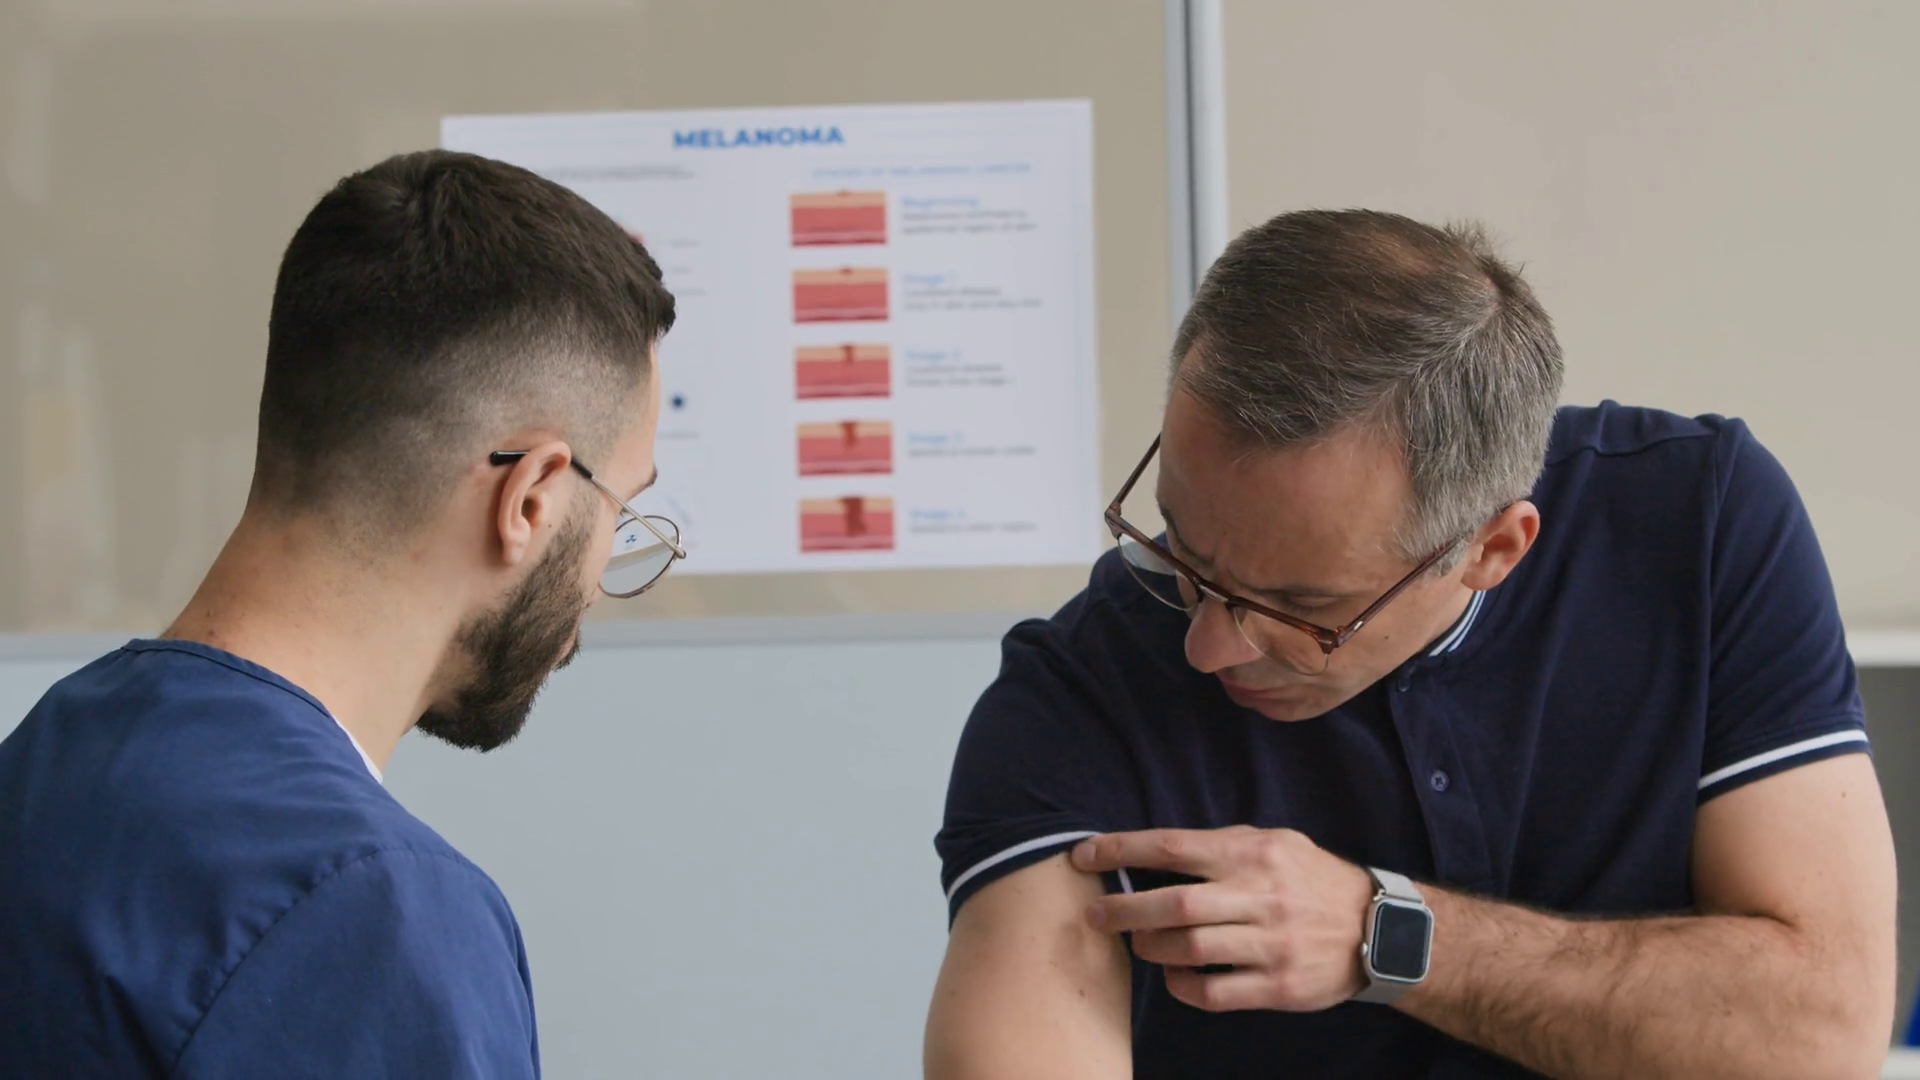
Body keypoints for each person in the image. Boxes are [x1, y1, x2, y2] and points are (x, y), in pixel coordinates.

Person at [925, 210, 1896, 1079]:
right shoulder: (1075, 695)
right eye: (1182, 545)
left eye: (1301, 607)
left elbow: (1821, 1035)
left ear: (1492, 549)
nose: (1209, 646)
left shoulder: (1700, 524)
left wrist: (1383, 934)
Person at [0, 150, 683, 1076]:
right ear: (529, 498)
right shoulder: (370, 913)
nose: (603, 575)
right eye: (623, 510)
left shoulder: (48, 761)